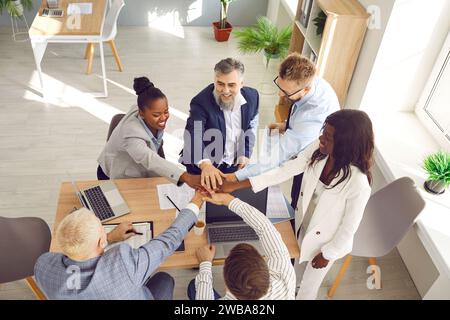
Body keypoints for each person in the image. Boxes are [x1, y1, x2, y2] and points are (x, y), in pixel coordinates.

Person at [220, 109, 374, 299]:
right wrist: (236, 185)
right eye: (323, 132)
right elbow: (285, 170)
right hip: (304, 223)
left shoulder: (358, 183)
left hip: (326, 243)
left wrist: (327, 254)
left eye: (328, 137)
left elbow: (348, 229)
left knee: (309, 288)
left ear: (345, 145)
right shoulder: (319, 151)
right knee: (295, 272)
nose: (321, 139)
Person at [34, 192, 204, 300]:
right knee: (165, 279)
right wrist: (196, 201)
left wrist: (109, 237)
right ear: (100, 242)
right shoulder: (124, 266)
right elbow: (168, 240)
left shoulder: (42, 268)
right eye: (102, 228)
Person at [229, 53, 340, 211]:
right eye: (279, 86)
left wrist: (235, 177)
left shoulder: (312, 116)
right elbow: (300, 112)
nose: (280, 94)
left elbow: (275, 159)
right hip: (307, 134)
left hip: (317, 160)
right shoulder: (312, 81)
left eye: (286, 92)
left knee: (299, 198)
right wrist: (287, 125)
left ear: (306, 88)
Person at [187, 192, 296, 300]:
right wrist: (229, 200)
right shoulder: (285, 277)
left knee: (194, 286)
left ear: (226, 285)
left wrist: (205, 263)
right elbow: (265, 227)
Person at [97, 77, 200, 189]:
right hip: (115, 175)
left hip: (138, 169)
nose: (163, 118)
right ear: (141, 113)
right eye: (156, 115)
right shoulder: (131, 135)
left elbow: (156, 147)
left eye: (166, 112)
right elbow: (150, 159)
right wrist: (186, 177)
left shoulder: (149, 113)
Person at [180, 58, 259, 191]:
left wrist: (245, 153)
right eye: (220, 84)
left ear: (241, 84)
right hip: (204, 165)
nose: (225, 90)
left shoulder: (253, 97)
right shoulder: (200, 102)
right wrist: (205, 165)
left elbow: (251, 126)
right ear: (214, 80)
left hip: (232, 164)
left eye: (232, 85)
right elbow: (194, 134)